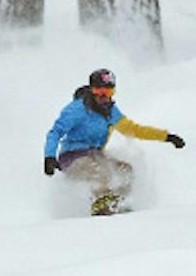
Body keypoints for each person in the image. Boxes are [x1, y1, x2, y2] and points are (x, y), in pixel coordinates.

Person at [42, 68, 183, 215]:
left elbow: (133, 129)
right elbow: (55, 132)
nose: (103, 97)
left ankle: (116, 203)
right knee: (100, 172)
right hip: (72, 157)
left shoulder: (110, 111)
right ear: (91, 90)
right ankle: (101, 207)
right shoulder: (77, 109)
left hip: (96, 155)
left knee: (126, 170)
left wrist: (167, 137)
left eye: (108, 92)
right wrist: (49, 156)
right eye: (98, 91)